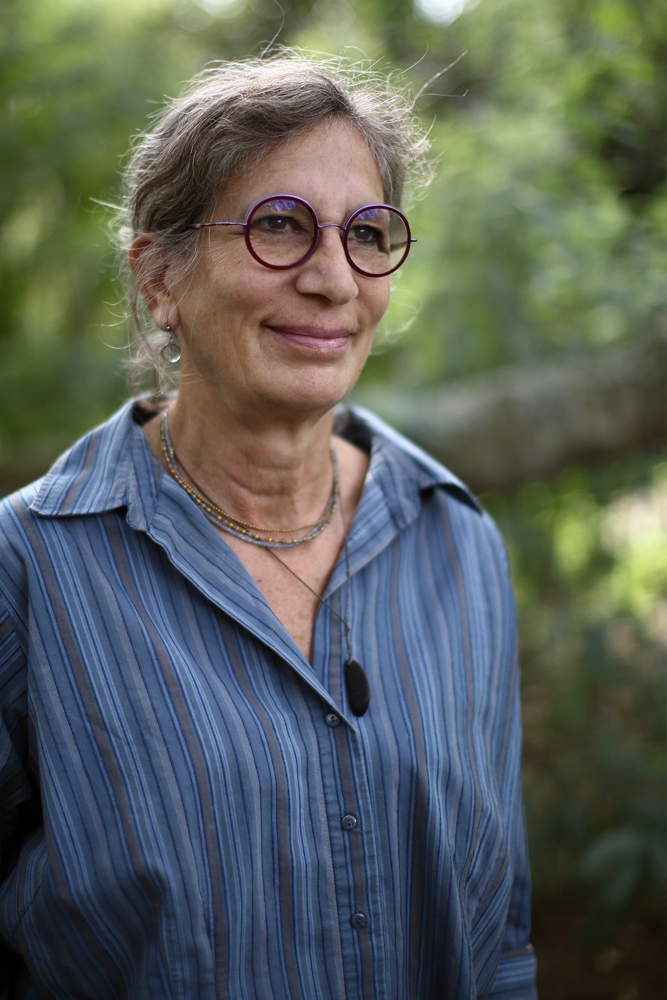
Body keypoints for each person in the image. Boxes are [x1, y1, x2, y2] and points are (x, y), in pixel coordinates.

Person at [0, 54, 537, 999]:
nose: (334, 278)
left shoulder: (455, 543)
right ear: (160, 276)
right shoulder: (29, 568)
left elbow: (496, 941)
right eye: (280, 226)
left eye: (367, 233)